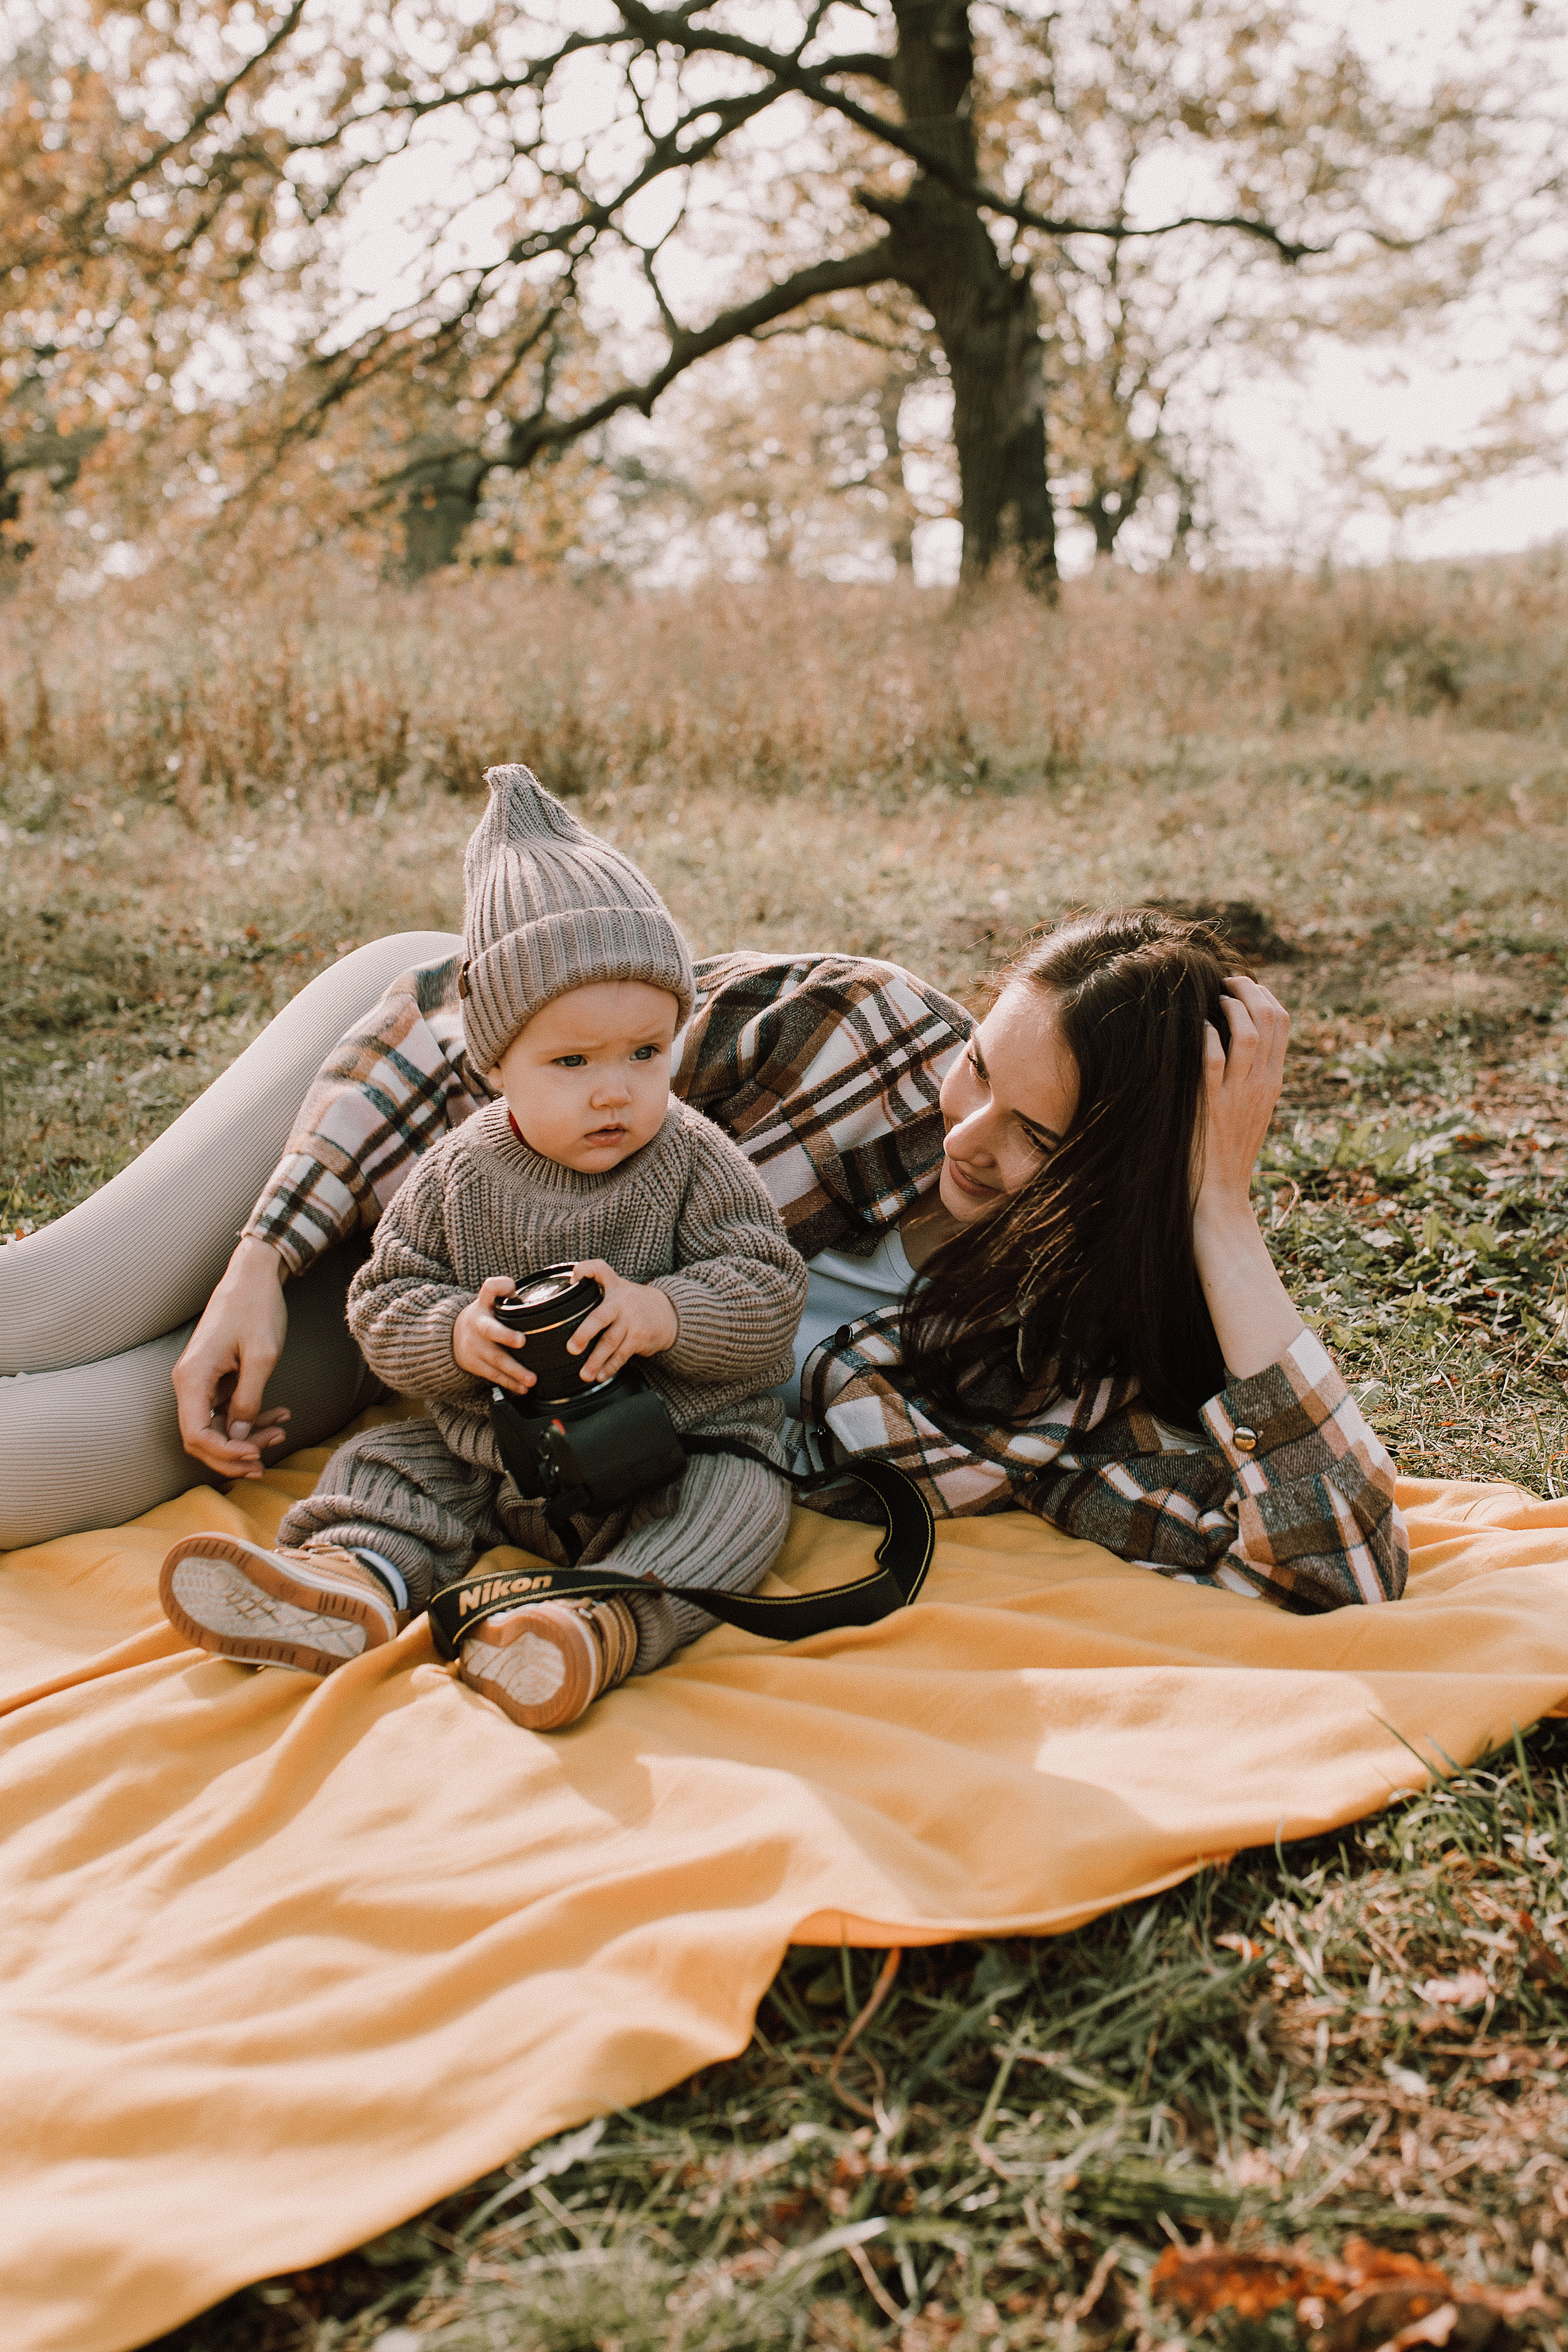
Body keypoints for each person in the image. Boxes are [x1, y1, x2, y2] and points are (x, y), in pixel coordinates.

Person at [2, 763, 1401, 1611]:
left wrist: (1214, 1211)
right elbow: (464, 1013)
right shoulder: (853, 1030)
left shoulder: (1065, 1373)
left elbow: (1341, 1568)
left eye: (1033, 1138)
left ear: (1117, 1178)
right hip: (386, 1101)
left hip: (431, 1346)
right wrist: (269, 1246)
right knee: (51, 1299)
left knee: (69, 1456)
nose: (960, 1127)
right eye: (979, 1064)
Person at [158, 768, 806, 1731]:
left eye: (645, 1053)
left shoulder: (693, 1157)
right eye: (572, 1062)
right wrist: (457, 1336)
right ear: (494, 1063)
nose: (614, 1093)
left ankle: (601, 1622)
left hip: (672, 1441)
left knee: (744, 1497)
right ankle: (349, 1584)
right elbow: (384, 1299)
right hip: (494, 1452)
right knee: (387, 1464)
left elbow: (768, 1285)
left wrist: (663, 1311)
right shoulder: (457, 1172)